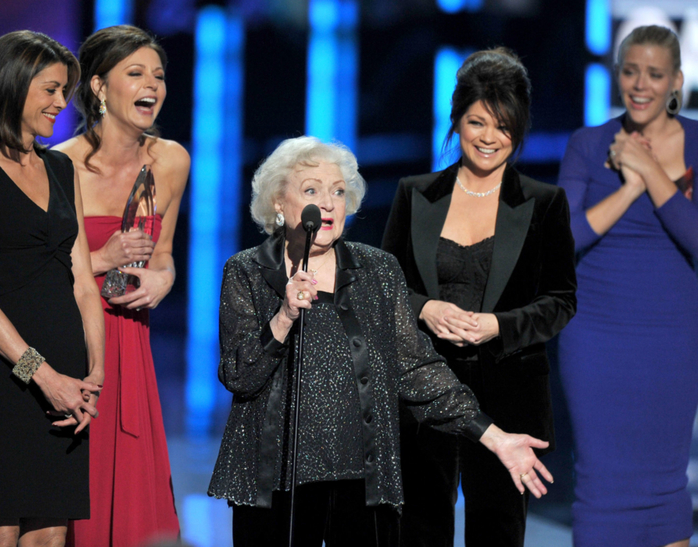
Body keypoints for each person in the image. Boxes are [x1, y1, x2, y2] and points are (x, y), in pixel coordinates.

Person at [207, 136, 554, 547]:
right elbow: (239, 375)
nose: (330, 204)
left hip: (363, 480)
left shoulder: (378, 271)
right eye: (312, 191)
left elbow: (416, 368)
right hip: (276, 480)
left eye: (338, 191)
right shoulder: (246, 271)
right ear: (279, 204)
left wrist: (494, 436)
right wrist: (283, 317)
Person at [382, 48, 577, 547]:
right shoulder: (415, 194)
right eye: (477, 122)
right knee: (419, 529)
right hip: (423, 389)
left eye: (504, 126)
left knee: (499, 530)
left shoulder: (543, 203)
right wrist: (425, 307)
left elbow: (561, 300)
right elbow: (382, 290)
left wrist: (498, 325)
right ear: (456, 118)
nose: (489, 138)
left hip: (509, 395)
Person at [0, 31, 104, 546]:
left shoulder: (61, 167)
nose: (62, 103)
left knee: (51, 535)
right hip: (5, 374)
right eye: (51, 90)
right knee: (2, 532)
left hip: (68, 374)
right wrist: (44, 376)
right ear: (13, 86)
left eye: (64, 92)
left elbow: (82, 283)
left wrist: (94, 371)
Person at [557, 25, 698, 547]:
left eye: (654, 74)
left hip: (673, 338)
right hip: (596, 338)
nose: (641, 84)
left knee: (665, 481)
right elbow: (564, 237)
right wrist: (631, 185)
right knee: (601, 480)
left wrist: (648, 170)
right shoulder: (588, 144)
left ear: (675, 81)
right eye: (631, 71)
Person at [55, 25, 188, 546]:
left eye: (157, 74)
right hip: (72, 345)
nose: (151, 84)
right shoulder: (57, 165)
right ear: (98, 86)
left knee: (136, 507)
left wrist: (161, 279)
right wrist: (101, 258)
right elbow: (31, 278)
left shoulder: (171, 160)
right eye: (135, 73)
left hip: (132, 345)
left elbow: (166, 257)